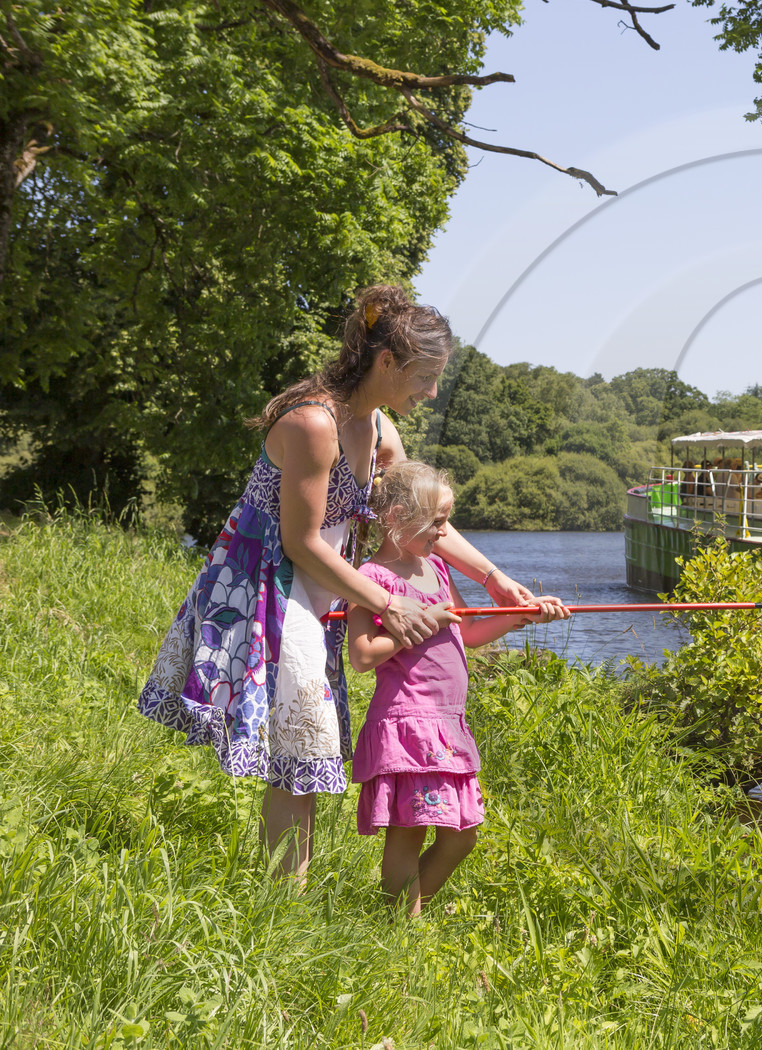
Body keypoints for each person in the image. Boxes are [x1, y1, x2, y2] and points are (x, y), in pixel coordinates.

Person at [137, 285, 566, 882]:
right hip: (270, 588)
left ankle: (283, 907)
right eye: (426, 376)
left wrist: (493, 578)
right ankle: (284, 908)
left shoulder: (383, 433)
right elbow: (300, 542)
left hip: (324, 587)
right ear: (387, 362)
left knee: (302, 747)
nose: (432, 392)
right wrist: (388, 603)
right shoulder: (314, 424)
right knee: (302, 747)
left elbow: (418, 521)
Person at [346, 461, 546, 916]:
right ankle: (404, 931)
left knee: (461, 835)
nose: (444, 533)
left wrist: (521, 615)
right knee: (409, 830)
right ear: (396, 517)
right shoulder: (371, 579)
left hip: (446, 723)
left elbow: (469, 634)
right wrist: (420, 623)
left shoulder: (436, 568)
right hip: (408, 722)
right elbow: (361, 655)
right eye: (436, 522)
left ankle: (397, 918)